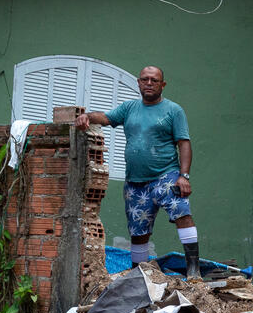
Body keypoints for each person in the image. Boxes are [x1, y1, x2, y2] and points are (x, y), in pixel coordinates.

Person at [74, 66, 202, 280]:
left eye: (154, 80)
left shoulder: (173, 110)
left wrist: (184, 176)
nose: (149, 83)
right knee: (138, 232)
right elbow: (105, 118)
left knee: (182, 212)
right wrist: (86, 116)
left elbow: (184, 143)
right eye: (145, 79)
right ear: (139, 83)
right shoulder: (129, 108)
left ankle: (194, 269)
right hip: (135, 183)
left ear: (163, 85)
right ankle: (138, 276)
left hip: (166, 175)